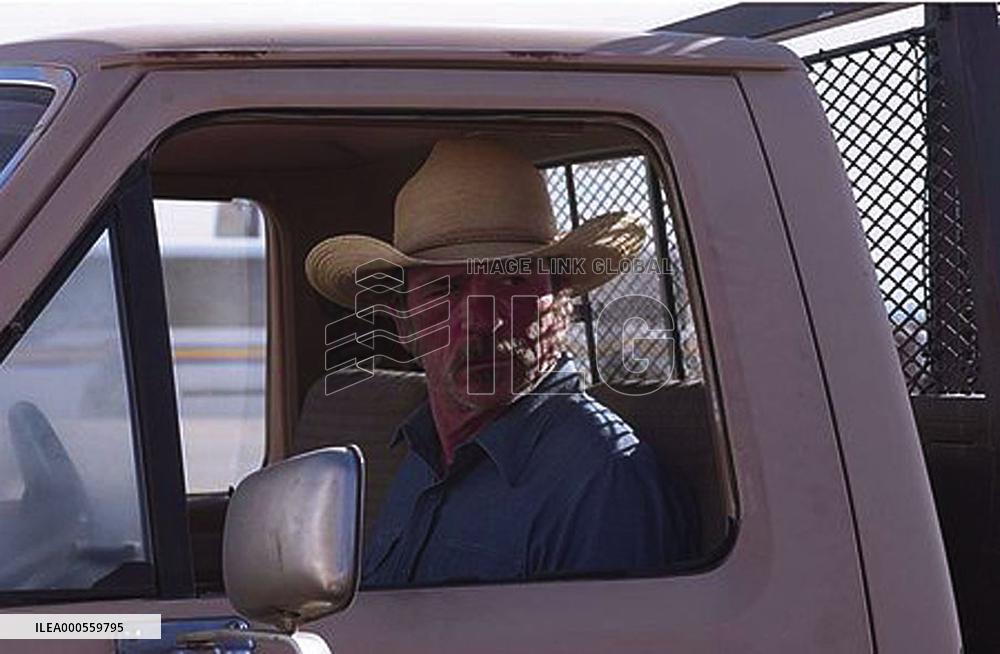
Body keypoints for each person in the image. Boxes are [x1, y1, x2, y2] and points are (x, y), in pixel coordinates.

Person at [305, 138, 694, 587]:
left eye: (512, 280)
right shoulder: (421, 454)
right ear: (404, 325)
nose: (482, 319)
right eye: (444, 289)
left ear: (562, 305)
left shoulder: (603, 481)